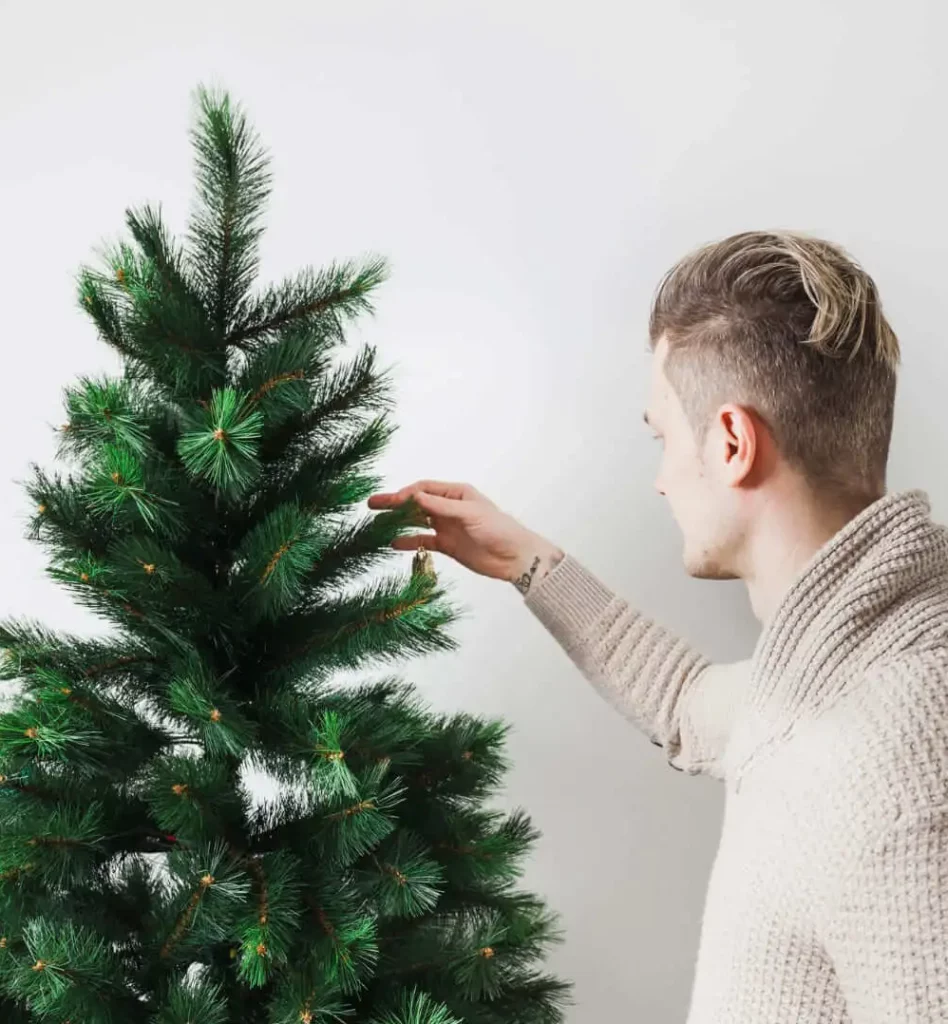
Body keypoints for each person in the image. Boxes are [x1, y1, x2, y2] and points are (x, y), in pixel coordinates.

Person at [367, 231, 948, 1024]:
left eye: (664, 437)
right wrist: (530, 562)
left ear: (734, 443)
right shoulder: (831, 674)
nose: (662, 478)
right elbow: (688, 704)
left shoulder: (895, 759)